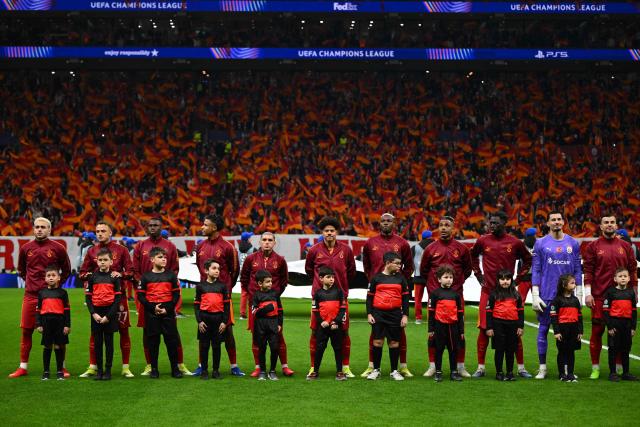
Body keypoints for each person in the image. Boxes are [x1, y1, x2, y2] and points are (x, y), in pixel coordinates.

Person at [470, 211, 532, 378]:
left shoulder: (515, 242)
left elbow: (528, 260)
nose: (492, 225)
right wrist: (478, 275)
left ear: (505, 223)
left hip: (509, 294)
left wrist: (518, 279)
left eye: (496, 222)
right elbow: (472, 256)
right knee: (484, 330)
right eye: (491, 222)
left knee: (514, 332)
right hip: (488, 291)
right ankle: (481, 368)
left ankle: (520, 368)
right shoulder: (482, 240)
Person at [10, 217, 71, 378]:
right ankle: (23, 367)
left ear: (49, 230)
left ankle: (61, 367)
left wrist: (54, 287)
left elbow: (66, 269)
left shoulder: (58, 248)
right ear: (33, 229)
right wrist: (32, 284)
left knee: (60, 332)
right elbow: (22, 270)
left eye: (43, 227)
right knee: (27, 330)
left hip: (54, 297)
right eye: (37, 227)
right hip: (31, 295)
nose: (39, 229)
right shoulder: (26, 248)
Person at [132, 216, 190, 376]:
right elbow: (135, 270)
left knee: (172, 332)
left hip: (166, 295)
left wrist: (166, 284)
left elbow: (175, 269)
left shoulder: (170, 246)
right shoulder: (140, 246)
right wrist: (144, 285)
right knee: (148, 331)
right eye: (149, 225)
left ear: (161, 227)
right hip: (147, 296)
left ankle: (179, 364)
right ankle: (150, 365)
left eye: (155, 225)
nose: (152, 227)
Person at [582, 214, 637, 379]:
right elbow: (588, 270)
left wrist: (635, 291)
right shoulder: (593, 246)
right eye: (606, 222)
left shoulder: (625, 246)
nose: (609, 225)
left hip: (622, 298)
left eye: (612, 222)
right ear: (601, 226)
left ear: (616, 225)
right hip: (599, 297)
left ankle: (619, 368)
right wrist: (588, 293)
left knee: (621, 334)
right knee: (597, 332)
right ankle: (595, 368)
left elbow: (633, 269)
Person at [79, 220, 135, 379]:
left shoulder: (121, 250)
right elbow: (82, 273)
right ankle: (93, 366)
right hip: (98, 300)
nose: (100, 233)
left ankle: (125, 367)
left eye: (103, 230)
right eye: (97, 231)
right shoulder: (91, 251)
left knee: (124, 330)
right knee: (95, 333)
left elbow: (131, 272)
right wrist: (91, 277)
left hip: (118, 298)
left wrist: (121, 274)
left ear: (110, 233)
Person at [360, 213, 414, 378]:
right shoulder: (370, 243)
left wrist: (398, 281)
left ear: (394, 223)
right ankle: (372, 367)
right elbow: (366, 266)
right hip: (378, 292)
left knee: (399, 333)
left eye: (389, 221)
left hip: (396, 292)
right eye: (383, 221)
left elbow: (409, 266)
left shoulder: (402, 243)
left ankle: (401, 367)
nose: (385, 223)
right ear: (379, 223)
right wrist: (374, 281)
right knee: (375, 334)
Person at [531, 211, 583, 379]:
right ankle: (543, 368)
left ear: (563, 221)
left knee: (568, 334)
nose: (556, 222)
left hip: (567, 298)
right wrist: (535, 293)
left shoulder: (573, 243)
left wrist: (580, 292)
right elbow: (537, 269)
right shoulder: (540, 243)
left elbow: (577, 269)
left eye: (559, 219)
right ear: (548, 223)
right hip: (546, 295)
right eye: (553, 219)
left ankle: (567, 370)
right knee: (543, 329)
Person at [420, 215, 472, 377]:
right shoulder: (430, 248)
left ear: (453, 228)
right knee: (433, 333)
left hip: (455, 296)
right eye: (441, 225)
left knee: (459, 333)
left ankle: (460, 366)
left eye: (447, 225)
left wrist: (455, 286)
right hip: (436, 298)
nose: (443, 228)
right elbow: (424, 270)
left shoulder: (462, 249)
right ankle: (433, 366)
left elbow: (467, 269)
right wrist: (434, 289)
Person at [305, 216, 356, 377]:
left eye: (332, 231)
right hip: (320, 299)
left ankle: (345, 367)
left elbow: (351, 272)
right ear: (322, 233)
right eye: (326, 231)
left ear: (337, 232)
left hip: (340, 298)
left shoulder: (346, 250)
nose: (329, 233)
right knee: (315, 331)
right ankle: (314, 367)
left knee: (344, 332)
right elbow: (308, 270)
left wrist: (341, 286)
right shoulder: (314, 250)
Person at [194, 213, 243, 376]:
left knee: (227, 330)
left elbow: (234, 271)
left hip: (222, 297)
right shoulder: (200, 246)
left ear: (214, 227)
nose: (202, 227)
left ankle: (234, 366)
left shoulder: (228, 247)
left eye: (205, 224)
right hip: (205, 297)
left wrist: (225, 288)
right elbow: (200, 270)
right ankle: (202, 365)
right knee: (203, 330)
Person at [240, 232, 293, 377]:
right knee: (256, 336)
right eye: (264, 240)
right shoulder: (251, 259)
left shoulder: (280, 260)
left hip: (273, 303)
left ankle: (284, 366)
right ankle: (258, 367)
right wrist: (252, 295)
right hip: (256, 303)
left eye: (270, 240)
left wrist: (273, 296)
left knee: (278, 335)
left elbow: (283, 281)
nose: (267, 242)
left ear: (274, 243)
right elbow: (244, 278)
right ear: (260, 242)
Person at [137, 247, 182, 379]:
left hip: (167, 313)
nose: (164, 259)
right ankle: (154, 369)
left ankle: (175, 368)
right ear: (152, 259)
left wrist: (167, 309)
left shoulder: (171, 275)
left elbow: (176, 294)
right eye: (160, 257)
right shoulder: (146, 277)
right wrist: (152, 307)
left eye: (165, 257)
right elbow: (141, 296)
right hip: (151, 314)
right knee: (153, 342)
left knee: (171, 341)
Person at [365, 252, 410, 381]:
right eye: (397, 263)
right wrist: (369, 314)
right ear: (388, 263)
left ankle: (394, 371)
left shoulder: (401, 279)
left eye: (400, 264)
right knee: (377, 342)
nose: (399, 266)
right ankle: (376, 370)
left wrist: (405, 315)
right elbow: (369, 298)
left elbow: (406, 299)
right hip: (378, 314)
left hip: (395, 315)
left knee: (394, 343)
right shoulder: (376, 278)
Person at [85, 248, 121, 381]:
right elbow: (88, 298)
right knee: (98, 343)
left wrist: (108, 316)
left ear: (111, 261)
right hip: (96, 314)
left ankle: (108, 370)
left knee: (109, 343)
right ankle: (99, 370)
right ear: (96, 261)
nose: (102, 262)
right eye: (100, 260)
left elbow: (117, 300)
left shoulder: (114, 277)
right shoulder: (92, 277)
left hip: (109, 314)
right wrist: (93, 314)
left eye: (105, 260)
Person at [307, 266, 347, 381]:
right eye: (328, 277)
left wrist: (336, 322)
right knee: (319, 348)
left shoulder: (339, 292)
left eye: (333, 277)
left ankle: (340, 372)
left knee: (338, 348)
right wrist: (322, 322)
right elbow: (315, 311)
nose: (331, 279)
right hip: (323, 327)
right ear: (321, 278)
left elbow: (342, 309)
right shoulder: (317, 294)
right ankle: (315, 372)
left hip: (336, 326)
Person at [194, 259, 230, 380]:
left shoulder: (222, 287)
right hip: (205, 319)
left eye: (218, 269)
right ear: (206, 270)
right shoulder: (200, 287)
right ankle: (204, 371)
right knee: (204, 346)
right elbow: (196, 305)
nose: (217, 271)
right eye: (214, 268)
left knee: (216, 346)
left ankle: (215, 370)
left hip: (218, 320)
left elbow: (226, 306)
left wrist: (224, 322)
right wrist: (199, 321)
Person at [485, 270, 524, 381]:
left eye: (507, 279)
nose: (505, 282)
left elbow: (521, 311)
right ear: (498, 281)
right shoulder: (494, 294)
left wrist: (520, 326)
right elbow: (488, 311)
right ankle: (499, 372)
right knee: (499, 349)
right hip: (498, 324)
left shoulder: (516, 294)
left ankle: (510, 372)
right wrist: (489, 327)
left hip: (513, 325)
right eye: (502, 279)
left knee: (511, 350)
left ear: (511, 280)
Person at [428, 265, 464, 382]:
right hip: (439, 327)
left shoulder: (456, 295)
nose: (449, 279)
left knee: (453, 350)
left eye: (451, 277)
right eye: (446, 277)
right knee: (438, 350)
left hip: (453, 327)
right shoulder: (435, 294)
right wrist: (431, 329)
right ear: (439, 279)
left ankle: (454, 371)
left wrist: (461, 331)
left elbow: (460, 315)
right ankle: (438, 371)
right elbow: (431, 313)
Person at [35, 265, 70, 381]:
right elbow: (38, 310)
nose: (51, 278)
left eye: (53, 275)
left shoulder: (63, 293)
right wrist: (38, 324)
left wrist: (67, 325)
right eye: (48, 276)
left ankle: (60, 371)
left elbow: (67, 311)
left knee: (58, 346)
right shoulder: (41, 293)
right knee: (47, 346)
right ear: (45, 278)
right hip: (46, 322)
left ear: (59, 278)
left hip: (59, 322)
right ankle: (46, 371)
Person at [603, 267, 638, 381]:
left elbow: (633, 311)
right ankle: (612, 373)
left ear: (628, 279)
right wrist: (610, 326)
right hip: (615, 325)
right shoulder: (610, 292)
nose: (623, 278)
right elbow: (606, 312)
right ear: (615, 279)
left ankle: (626, 373)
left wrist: (633, 327)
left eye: (625, 276)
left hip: (627, 325)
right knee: (613, 349)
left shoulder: (630, 292)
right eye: (620, 276)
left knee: (626, 349)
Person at [550, 274, 583, 382]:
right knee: (562, 352)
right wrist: (556, 332)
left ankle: (570, 373)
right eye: (572, 283)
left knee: (571, 352)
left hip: (573, 329)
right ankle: (561, 374)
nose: (575, 285)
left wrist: (580, 331)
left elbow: (579, 317)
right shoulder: (557, 300)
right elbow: (554, 318)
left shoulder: (575, 300)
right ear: (564, 285)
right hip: (562, 329)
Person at [251, 270, 283, 381]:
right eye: (267, 282)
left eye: (271, 281)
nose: (270, 284)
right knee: (262, 348)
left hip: (273, 323)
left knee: (274, 348)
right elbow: (254, 312)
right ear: (260, 284)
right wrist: (267, 308)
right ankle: (263, 371)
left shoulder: (275, 294)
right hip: (260, 325)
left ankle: (272, 371)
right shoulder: (256, 295)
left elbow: (280, 310)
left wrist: (279, 323)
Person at [412, 230, 434, 325]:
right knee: (432, 298)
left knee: (418, 299)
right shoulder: (435, 246)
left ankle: (418, 318)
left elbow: (410, 262)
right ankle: (431, 318)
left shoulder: (414, 247)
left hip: (418, 276)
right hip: (431, 277)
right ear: (430, 236)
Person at [238, 231, 257, 320]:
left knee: (244, 294)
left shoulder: (238, 249)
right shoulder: (253, 249)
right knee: (252, 293)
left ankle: (242, 314)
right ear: (248, 239)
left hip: (242, 274)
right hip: (251, 274)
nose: (251, 238)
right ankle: (252, 312)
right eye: (250, 237)